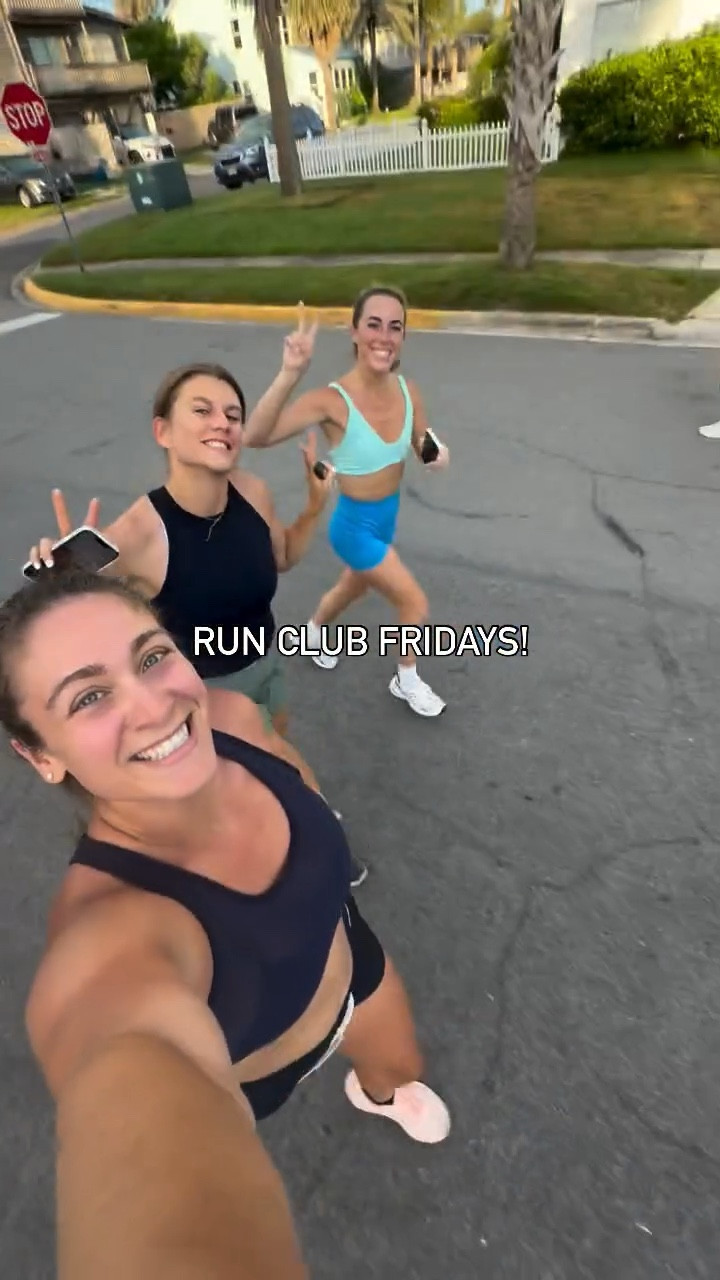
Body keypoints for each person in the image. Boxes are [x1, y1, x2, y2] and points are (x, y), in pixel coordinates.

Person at [1, 570, 451, 1272]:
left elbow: (305, 791)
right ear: (41, 756)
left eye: (151, 656)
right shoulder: (109, 942)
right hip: (263, 1071)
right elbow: (130, 1092)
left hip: (352, 961)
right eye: (90, 696)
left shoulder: (234, 719)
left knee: (403, 1066)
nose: (154, 705)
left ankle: (378, 1093)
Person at [26, 361, 367, 887]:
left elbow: (285, 556)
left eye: (233, 414)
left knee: (273, 760)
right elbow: (75, 616)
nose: (223, 423)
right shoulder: (139, 532)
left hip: (265, 664)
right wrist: (59, 573)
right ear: (163, 430)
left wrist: (315, 507)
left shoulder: (253, 493)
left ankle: (295, 840)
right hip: (200, 697)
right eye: (203, 410)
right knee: (261, 783)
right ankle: (306, 852)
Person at [242, 288, 450, 718]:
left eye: (395, 327)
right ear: (354, 332)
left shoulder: (409, 391)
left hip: (386, 519)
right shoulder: (331, 402)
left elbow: (421, 441)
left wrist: (436, 452)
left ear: (404, 338)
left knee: (353, 586)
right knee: (413, 604)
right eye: (373, 324)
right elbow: (255, 436)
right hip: (353, 528)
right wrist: (290, 372)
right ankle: (405, 678)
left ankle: (315, 631)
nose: (384, 336)